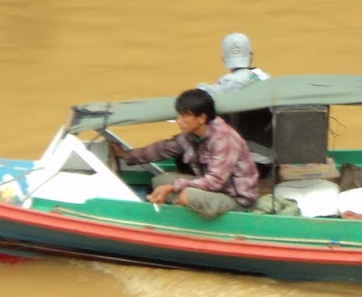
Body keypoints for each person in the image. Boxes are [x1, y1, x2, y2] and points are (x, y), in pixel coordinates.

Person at [109, 88, 259, 219]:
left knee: (186, 195)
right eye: (179, 115)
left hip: (236, 200)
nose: (179, 121)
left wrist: (173, 187)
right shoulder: (191, 135)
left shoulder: (224, 139)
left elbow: (215, 181)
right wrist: (126, 155)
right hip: (216, 189)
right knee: (160, 181)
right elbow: (162, 149)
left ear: (201, 118)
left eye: (184, 116)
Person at [200, 32, 269, 94]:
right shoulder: (265, 76)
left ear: (223, 59)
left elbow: (204, 93)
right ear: (251, 55)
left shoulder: (228, 82)